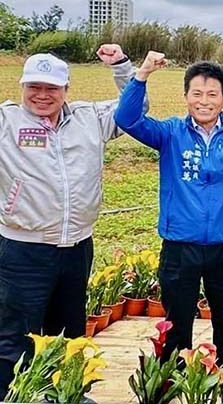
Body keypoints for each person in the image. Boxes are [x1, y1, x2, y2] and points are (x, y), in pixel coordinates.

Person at [113, 51, 223, 404]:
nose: (204, 101)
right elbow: (127, 118)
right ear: (185, 96)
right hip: (180, 247)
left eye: (212, 94)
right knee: (177, 317)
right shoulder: (169, 133)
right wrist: (143, 73)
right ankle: (173, 376)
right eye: (197, 93)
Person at [0, 45, 138, 400]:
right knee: (15, 336)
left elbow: (135, 108)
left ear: (66, 89)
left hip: (77, 248)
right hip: (23, 250)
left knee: (67, 333)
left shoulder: (89, 118)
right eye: (34, 86)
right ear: (22, 86)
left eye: (52, 88)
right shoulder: (6, 122)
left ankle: (66, 395)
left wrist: (122, 67)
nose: (42, 95)